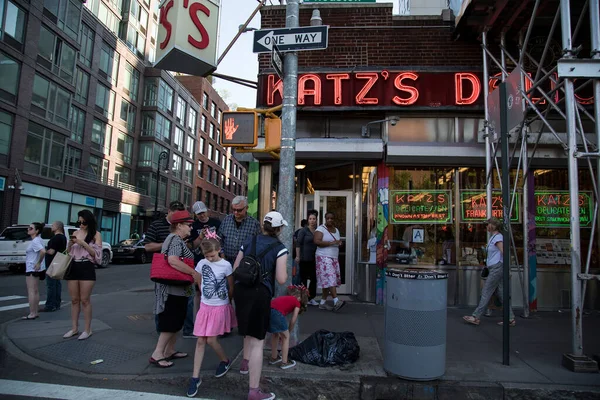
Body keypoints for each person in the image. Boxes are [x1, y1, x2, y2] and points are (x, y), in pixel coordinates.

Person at [233, 211, 288, 400]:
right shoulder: (279, 247)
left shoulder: (249, 241)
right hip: (259, 293)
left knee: (247, 331)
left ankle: (244, 363)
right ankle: (254, 391)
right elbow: (281, 279)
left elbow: (235, 268)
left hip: (241, 291)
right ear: (279, 229)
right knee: (258, 341)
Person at [186, 235, 236, 398]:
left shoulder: (226, 265)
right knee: (201, 340)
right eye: (206, 256)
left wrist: (228, 301)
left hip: (219, 307)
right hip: (206, 306)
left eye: (212, 255)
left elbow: (230, 286)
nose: (209, 258)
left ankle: (225, 360)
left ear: (219, 250)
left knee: (211, 340)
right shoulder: (202, 263)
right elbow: (198, 280)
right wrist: (203, 293)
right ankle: (195, 377)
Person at [150, 211, 200, 368]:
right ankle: (158, 353)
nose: (191, 229)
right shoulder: (175, 240)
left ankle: (169, 350)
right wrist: (193, 272)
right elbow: (173, 260)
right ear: (179, 225)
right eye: (189, 225)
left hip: (177, 289)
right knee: (170, 321)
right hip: (172, 290)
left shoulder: (175, 240)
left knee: (176, 320)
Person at [463, 217, 515, 327]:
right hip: (495, 267)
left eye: (488, 225)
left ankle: (476, 316)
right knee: (501, 293)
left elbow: (504, 252)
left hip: (497, 268)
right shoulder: (494, 237)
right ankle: (510, 318)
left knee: (486, 291)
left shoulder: (498, 238)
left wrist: (506, 268)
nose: (486, 226)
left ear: (492, 226)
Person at [144, 201, 186, 335]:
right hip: (162, 270)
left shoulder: (182, 227)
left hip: (179, 270)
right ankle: (161, 332)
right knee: (161, 302)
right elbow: (147, 247)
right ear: (169, 211)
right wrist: (167, 243)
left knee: (177, 304)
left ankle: (176, 331)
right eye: (175, 214)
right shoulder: (157, 225)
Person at [184, 201, 222, 338]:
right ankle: (201, 321)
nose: (202, 215)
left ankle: (218, 322)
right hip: (199, 261)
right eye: (198, 214)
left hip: (216, 261)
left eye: (203, 212)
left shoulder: (216, 222)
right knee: (199, 292)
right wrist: (200, 237)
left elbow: (222, 239)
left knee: (217, 290)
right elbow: (191, 246)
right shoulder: (193, 226)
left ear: (207, 211)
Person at [64, 210, 103, 340]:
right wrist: (70, 244)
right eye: (79, 222)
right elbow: (68, 252)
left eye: (83, 222)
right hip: (74, 265)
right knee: (74, 300)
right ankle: (74, 328)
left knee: (85, 300)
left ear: (89, 222)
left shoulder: (96, 235)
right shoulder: (75, 233)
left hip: (87, 266)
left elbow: (97, 256)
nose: (81, 224)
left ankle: (87, 329)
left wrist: (83, 243)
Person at [268, 285, 309, 370]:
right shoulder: (297, 302)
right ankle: (284, 362)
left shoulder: (286, 298)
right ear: (300, 298)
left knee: (275, 334)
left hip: (268, 311)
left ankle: (274, 357)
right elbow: (293, 320)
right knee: (286, 337)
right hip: (277, 313)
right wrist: (289, 331)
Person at [313, 212, 345, 312]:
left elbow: (337, 242)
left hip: (334, 257)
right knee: (331, 278)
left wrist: (339, 243)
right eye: (328, 218)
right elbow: (317, 241)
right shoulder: (321, 229)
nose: (330, 220)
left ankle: (322, 303)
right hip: (323, 257)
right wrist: (331, 243)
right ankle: (336, 301)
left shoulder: (336, 230)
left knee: (327, 281)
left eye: (331, 218)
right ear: (325, 219)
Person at [218, 196, 261, 266]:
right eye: (233, 209)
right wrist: (222, 256)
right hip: (225, 261)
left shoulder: (254, 224)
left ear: (246, 208)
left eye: (239, 210)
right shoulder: (226, 220)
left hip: (245, 264)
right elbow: (219, 240)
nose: (235, 212)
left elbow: (258, 244)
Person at [22, 222, 46, 320]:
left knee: (31, 291)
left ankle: (32, 313)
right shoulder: (39, 240)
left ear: (37, 231)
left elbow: (43, 251)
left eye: (31, 228)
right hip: (36, 268)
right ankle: (35, 312)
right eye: (28, 228)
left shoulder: (35, 241)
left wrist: (38, 262)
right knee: (35, 291)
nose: (28, 229)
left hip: (32, 267)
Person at [295, 210, 319, 305]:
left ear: (316, 220)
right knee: (303, 279)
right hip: (304, 258)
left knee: (314, 278)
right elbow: (298, 243)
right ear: (308, 220)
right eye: (310, 219)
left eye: (314, 219)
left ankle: (311, 297)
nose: (312, 221)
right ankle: (303, 299)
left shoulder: (318, 230)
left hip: (314, 259)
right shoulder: (303, 230)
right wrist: (297, 256)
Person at [42, 221, 67, 312]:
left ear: (58, 227)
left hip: (52, 263)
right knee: (57, 284)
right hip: (59, 261)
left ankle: (50, 305)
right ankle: (56, 303)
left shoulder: (56, 238)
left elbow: (51, 251)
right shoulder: (63, 237)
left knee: (51, 285)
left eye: (53, 225)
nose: (52, 227)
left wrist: (44, 250)